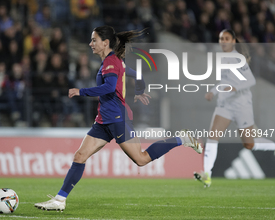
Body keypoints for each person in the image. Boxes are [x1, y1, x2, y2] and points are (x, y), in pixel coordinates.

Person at [34, 25, 203, 211]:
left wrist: (80, 91)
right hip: (103, 119)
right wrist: (139, 91)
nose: (90, 43)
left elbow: (108, 87)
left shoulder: (111, 62)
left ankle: (181, 139)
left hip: (116, 118)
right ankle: (59, 200)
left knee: (141, 159)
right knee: (80, 156)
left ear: (105, 43)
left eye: (94, 40)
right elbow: (138, 75)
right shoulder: (115, 61)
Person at [194, 29, 275, 188]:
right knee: (213, 137)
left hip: (241, 105)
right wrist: (213, 92)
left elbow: (250, 81)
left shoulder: (238, 59)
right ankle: (207, 174)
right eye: (221, 38)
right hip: (225, 106)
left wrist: (234, 88)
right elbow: (224, 82)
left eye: (226, 38)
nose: (223, 41)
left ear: (233, 41)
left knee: (249, 144)